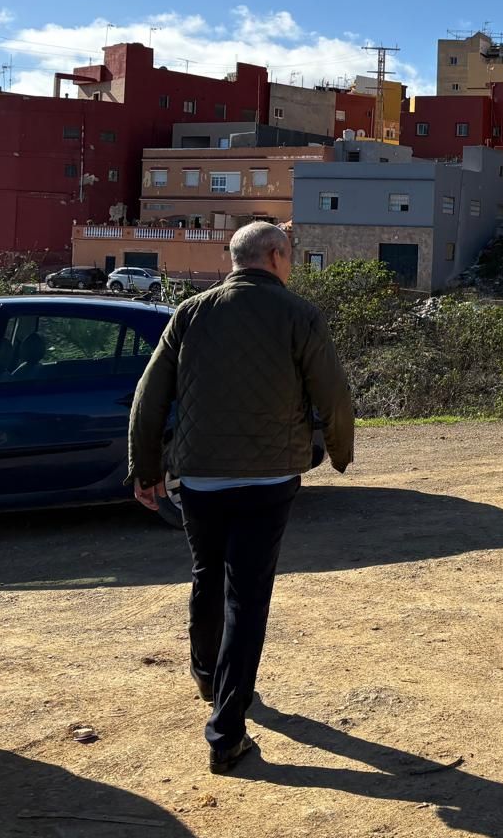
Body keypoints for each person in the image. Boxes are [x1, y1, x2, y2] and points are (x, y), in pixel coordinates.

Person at [127, 222, 354, 775]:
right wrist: (340, 450)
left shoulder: (190, 313)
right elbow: (333, 392)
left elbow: (149, 394)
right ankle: (227, 733)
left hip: (200, 479)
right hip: (269, 479)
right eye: (291, 255)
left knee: (208, 576)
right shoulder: (299, 315)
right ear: (275, 256)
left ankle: (207, 674)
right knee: (246, 599)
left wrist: (146, 468)